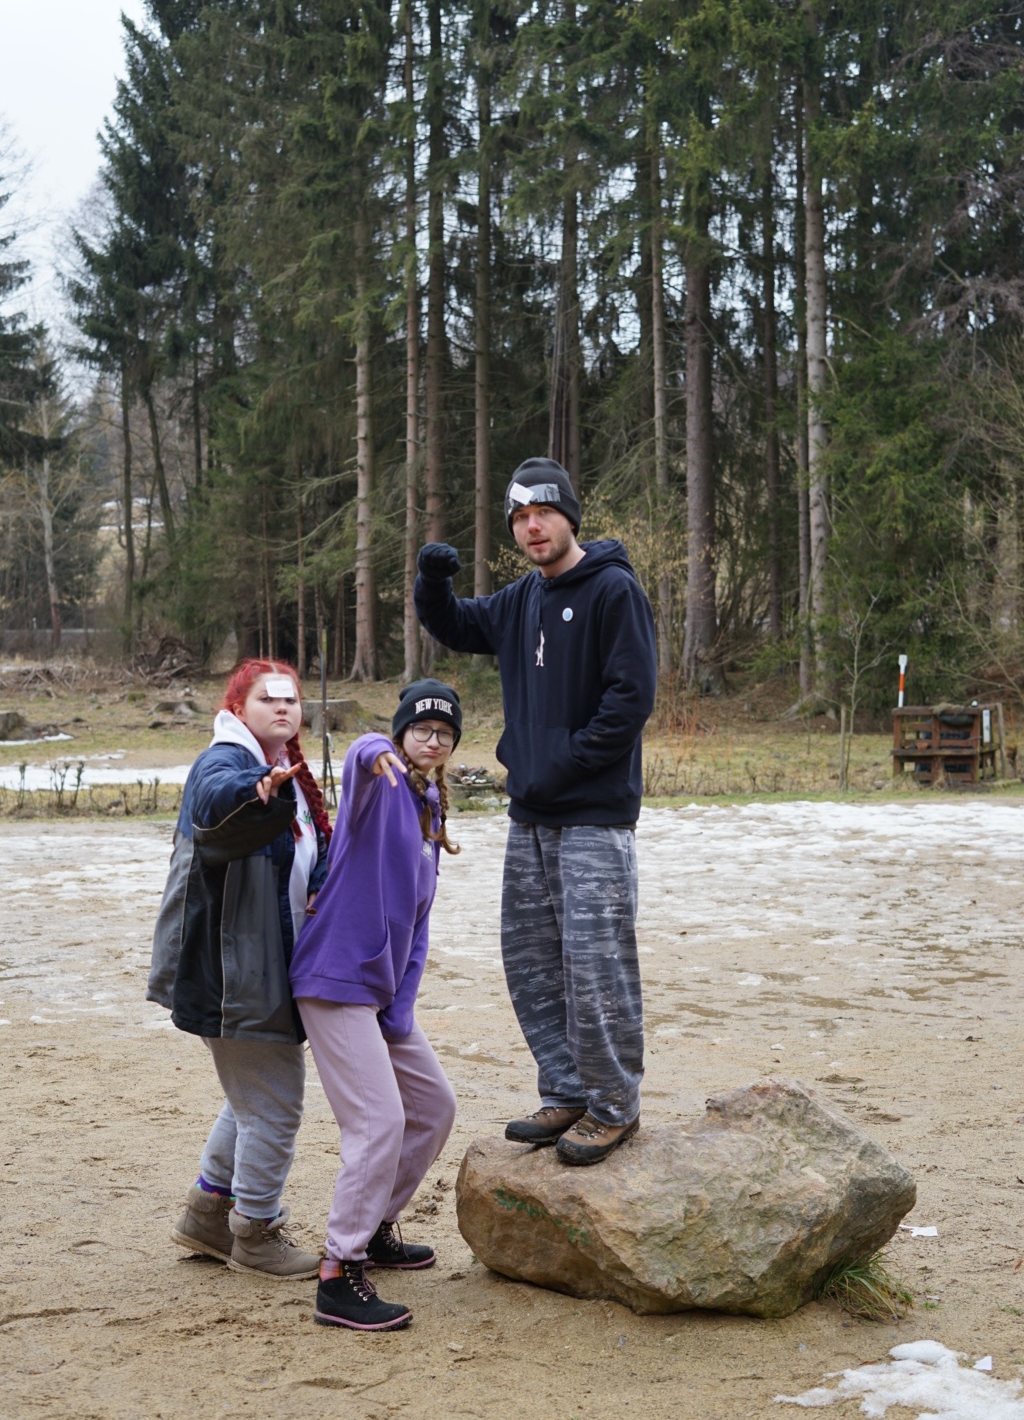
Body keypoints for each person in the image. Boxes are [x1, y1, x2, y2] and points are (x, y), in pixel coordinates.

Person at [415, 457, 657, 1166]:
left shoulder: (613, 591)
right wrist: (433, 581)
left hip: (594, 819)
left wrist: (565, 762)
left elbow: (630, 699)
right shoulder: (523, 598)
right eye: (519, 518)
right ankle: (567, 1090)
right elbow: (457, 624)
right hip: (531, 819)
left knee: (596, 964)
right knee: (532, 962)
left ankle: (613, 1105)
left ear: (569, 517)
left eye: (542, 513)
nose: (531, 527)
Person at [148, 658, 330, 1279]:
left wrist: (321, 877)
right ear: (237, 708)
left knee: (251, 1096)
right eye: (267, 699)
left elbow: (311, 851)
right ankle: (255, 1232)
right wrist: (255, 790)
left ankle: (208, 1215)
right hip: (232, 974)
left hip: (260, 967)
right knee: (274, 1103)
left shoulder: (282, 770)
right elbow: (214, 803)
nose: (282, 707)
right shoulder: (226, 763)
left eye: (291, 700)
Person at [288, 679, 461, 1332]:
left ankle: (379, 1223)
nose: (433, 740)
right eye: (421, 729)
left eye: (445, 733)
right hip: (335, 979)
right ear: (402, 733)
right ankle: (339, 1271)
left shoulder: (429, 806)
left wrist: (400, 1008)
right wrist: (373, 750)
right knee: (378, 1121)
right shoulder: (380, 781)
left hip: (380, 995)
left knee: (434, 1108)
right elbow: (361, 753)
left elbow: (418, 925)